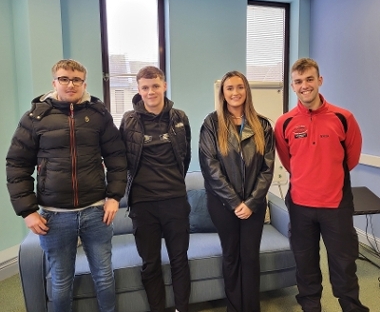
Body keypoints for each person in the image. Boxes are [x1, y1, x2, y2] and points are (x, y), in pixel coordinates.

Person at [6, 59, 127, 312]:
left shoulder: (99, 115)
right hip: (54, 217)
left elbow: (117, 157)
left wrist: (115, 197)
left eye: (76, 80)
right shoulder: (34, 118)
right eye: (64, 79)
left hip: (96, 213)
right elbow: (17, 165)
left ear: (84, 83)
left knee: (104, 277)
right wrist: (27, 211)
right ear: (54, 82)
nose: (70, 84)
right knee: (61, 282)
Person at [274, 58, 369, 312]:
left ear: (319, 81)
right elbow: (288, 160)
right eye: (298, 81)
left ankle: (351, 307)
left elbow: (351, 158)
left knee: (344, 265)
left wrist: (325, 175)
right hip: (300, 206)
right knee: (305, 266)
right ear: (292, 86)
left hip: (336, 205)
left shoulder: (343, 117)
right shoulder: (284, 123)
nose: (304, 86)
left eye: (309, 79)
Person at [199, 70, 275, 312]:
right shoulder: (211, 124)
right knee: (231, 257)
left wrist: (251, 203)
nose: (235, 92)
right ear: (223, 92)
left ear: (246, 91)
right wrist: (234, 202)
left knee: (250, 258)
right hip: (223, 205)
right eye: (229, 88)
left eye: (239, 87)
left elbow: (267, 168)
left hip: (254, 206)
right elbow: (210, 167)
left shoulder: (262, 125)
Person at [119, 66, 191, 312]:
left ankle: (182, 308)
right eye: (145, 88)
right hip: (143, 204)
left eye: (155, 86)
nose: (151, 92)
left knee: (179, 260)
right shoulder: (129, 120)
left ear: (164, 86)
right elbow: (124, 160)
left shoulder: (180, 118)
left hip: (175, 201)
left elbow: (185, 155)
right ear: (139, 90)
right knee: (150, 264)